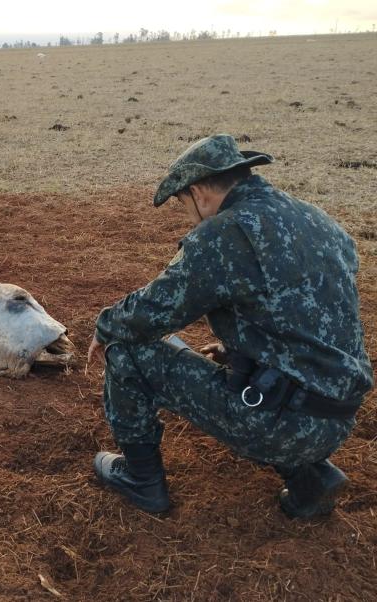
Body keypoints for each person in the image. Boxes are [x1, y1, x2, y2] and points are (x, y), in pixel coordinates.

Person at [86, 134, 373, 518]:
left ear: (200, 191)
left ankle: (141, 480)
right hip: (339, 417)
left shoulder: (225, 233)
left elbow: (150, 312)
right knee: (230, 368)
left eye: (182, 202)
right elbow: (309, 308)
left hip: (283, 425)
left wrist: (106, 327)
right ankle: (311, 477)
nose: (186, 212)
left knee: (129, 349)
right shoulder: (313, 217)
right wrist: (247, 350)